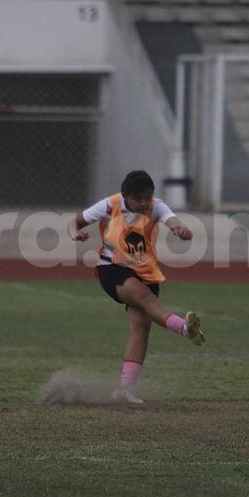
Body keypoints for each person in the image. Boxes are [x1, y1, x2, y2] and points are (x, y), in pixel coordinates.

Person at [69, 170, 205, 404]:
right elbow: (76, 221)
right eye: (138, 198)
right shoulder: (110, 205)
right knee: (147, 299)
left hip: (145, 270)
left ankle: (124, 390)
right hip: (112, 268)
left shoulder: (156, 205)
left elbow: (173, 221)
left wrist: (181, 230)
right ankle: (185, 329)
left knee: (141, 329)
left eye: (148, 197)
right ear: (125, 195)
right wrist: (75, 233)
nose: (144, 203)